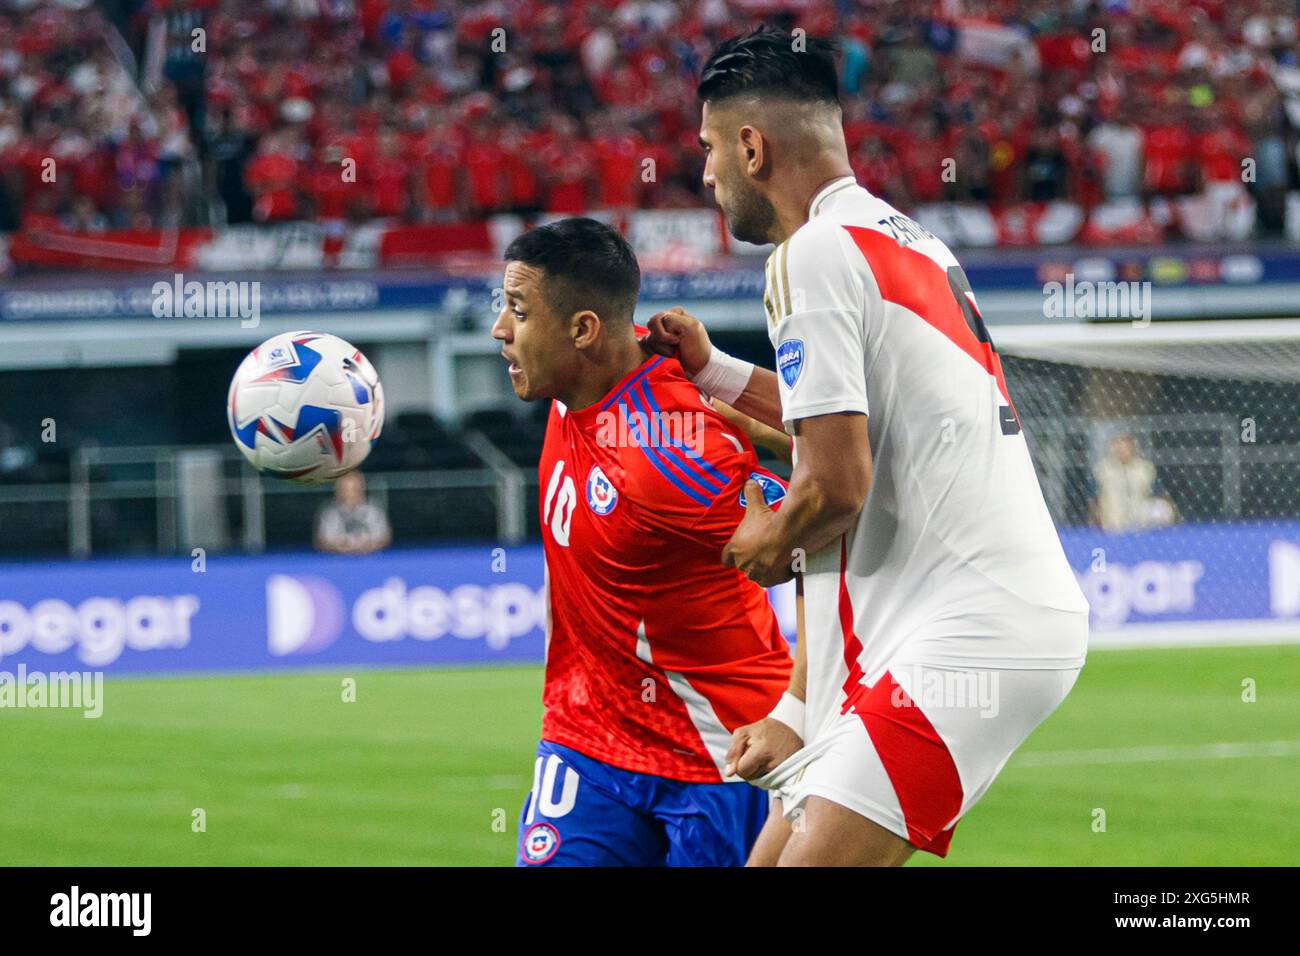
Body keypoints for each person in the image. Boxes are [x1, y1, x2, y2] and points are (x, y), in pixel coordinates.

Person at [642, 28, 1089, 866]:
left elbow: (836, 486)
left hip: (971, 634)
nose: (705, 173)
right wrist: (714, 372)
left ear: (752, 146)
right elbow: (857, 422)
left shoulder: (807, 255)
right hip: (943, 627)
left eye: (707, 149)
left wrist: (765, 543)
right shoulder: (899, 237)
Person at [490, 216, 793, 866]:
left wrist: (806, 710)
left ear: (582, 331)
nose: (500, 331)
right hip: (586, 739)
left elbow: (824, 530)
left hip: (714, 757)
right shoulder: (576, 379)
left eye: (518, 310)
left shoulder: (666, 447)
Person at [1091, 433, 1176, 531]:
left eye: (1125, 447)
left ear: (1132, 448)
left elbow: (1161, 494)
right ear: (1112, 448)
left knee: (1163, 507)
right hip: (1113, 525)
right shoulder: (1102, 469)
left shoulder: (1144, 469)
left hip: (1140, 523)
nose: (1121, 450)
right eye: (1117, 446)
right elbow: (1093, 499)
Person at [313, 471, 391, 554]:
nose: (350, 494)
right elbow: (321, 541)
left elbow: (384, 538)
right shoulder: (329, 513)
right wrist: (340, 548)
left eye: (354, 489)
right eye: (345, 490)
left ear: (362, 490)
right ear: (338, 491)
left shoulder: (374, 511)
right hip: (336, 562)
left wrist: (366, 547)